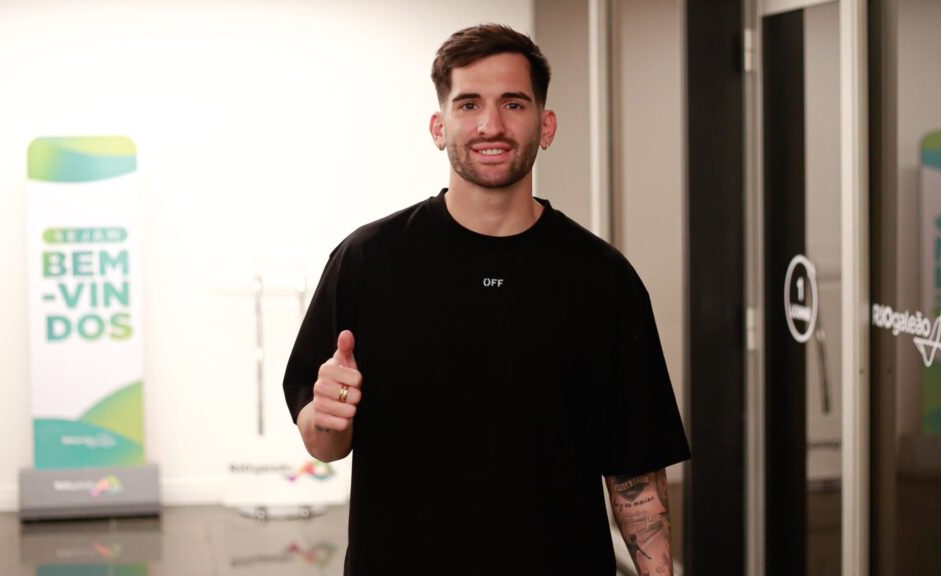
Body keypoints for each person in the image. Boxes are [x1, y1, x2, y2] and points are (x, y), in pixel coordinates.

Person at [283, 23, 690, 575]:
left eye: (513, 104)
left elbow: (636, 471)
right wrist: (328, 418)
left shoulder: (603, 279)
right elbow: (324, 445)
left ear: (546, 125)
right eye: (469, 103)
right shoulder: (366, 262)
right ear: (439, 126)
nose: (490, 125)